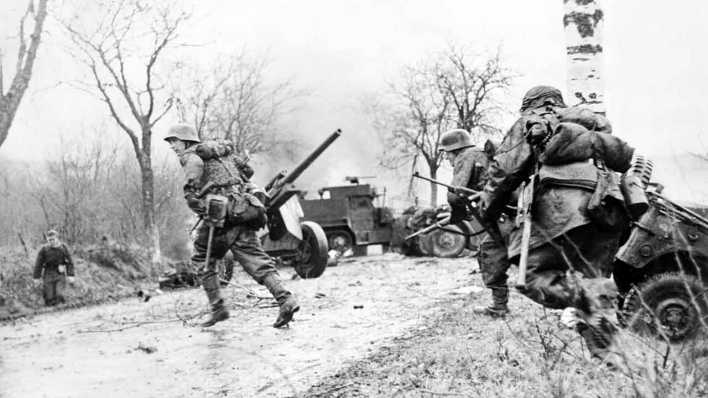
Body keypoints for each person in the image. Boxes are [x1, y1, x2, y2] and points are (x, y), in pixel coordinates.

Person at [478, 86, 635, 359]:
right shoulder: (591, 125)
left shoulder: (532, 121)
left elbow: (504, 170)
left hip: (563, 212)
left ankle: (593, 298)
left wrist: (487, 206)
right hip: (609, 208)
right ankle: (608, 358)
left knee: (531, 278)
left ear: (531, 105)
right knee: (593, 280)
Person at [165, 124, 299, 328]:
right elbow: (248, 171)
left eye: (174, 141)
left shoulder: (191, 156)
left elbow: (191, 188)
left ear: (186, 141)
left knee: (203, 259)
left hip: (222, 216)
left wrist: (198, 204)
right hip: (244, 209)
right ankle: (286, 299)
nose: (172, 146)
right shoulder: (220, 151)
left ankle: (218, 309)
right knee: (257, 261)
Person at [439, 128, 512, 317]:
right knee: (491, 251)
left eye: (447, 154)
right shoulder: (481, 154)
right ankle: (499, 305)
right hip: (507, 210)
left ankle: (499, 307)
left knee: (489, 253)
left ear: (454, 150)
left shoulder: (465, 156)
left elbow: (456, 193)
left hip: (504, 214)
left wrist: (455, 216)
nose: (447, 159)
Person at [33, 230, 75, 306]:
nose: (51, 241)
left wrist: (70, 275)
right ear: (47, 240)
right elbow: (38, 264)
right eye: (49, 240)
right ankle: (50, 311)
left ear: (57, 239)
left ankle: (61, 310)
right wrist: (36, 277)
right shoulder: (44, 250)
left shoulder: (63, 248)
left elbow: (69, 262)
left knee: (59, 294)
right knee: (49, 297)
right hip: (48, 273)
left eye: (53, 239)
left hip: (59, 273)